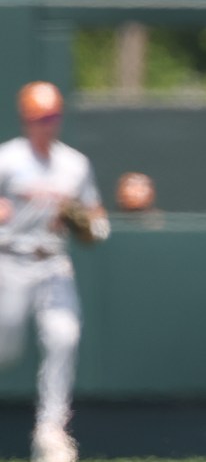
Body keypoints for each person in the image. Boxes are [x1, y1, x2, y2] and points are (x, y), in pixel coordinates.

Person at [0, 81, 110, 462]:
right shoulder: (7, 159)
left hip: (53, 263)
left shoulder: (74, 164)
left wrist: (90, 226)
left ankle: (51, 432)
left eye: (53, 116)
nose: (48, 123)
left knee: (64, 336)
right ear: (26, 118)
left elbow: (96, 219)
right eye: (41, 117)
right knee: (5, 350)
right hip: (10, 260)